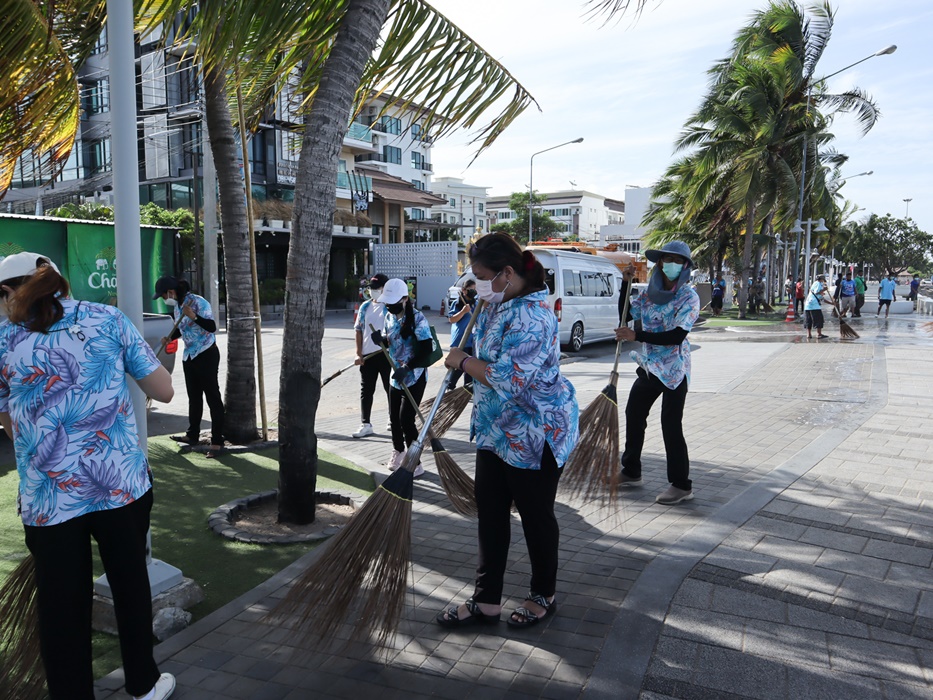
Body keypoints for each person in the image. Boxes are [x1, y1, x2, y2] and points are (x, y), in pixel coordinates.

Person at [0, 253, 176, 700]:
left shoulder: (3, 340)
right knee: (130, 586)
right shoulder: (108, 319)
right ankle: (144, 685)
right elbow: (164, 391)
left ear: (7, 293)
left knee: (60, 607)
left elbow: (11, 424)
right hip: (120, 484)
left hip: (48, 498)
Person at [436, 233, 578, 629]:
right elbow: (488, 356)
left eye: (482, 277)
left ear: (507, 273)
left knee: (535, 516)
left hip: (536, 432)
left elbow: (510, 379)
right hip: (496, 430)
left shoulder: (533, 316)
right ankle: (486, 601)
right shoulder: (495, 304)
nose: (478, 285)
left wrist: (462, 362)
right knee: (491, 515)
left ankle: (543, 595)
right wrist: (468, 352)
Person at [614, 240, 700, 506]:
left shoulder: (688, 297)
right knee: (634, 414)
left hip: (674, 371)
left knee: (671, 425)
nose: (671, 265)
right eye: (667, 259)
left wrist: (636, 335)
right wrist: (625, 285)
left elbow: (677, 336)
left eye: (677, 261)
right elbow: (627, 313)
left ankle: (681, 485)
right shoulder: (649, 295)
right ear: (660, 263)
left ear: (685, 266)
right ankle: (631, 471)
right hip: (650, 366)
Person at [153, 276, 225, 457]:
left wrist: (194, 316)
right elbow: (183, 328)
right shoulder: (178, 306)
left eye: (163, 295)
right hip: (189, 356)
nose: (164, 299)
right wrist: (171, 337)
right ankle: (192, 435)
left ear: (171, 291)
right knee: (194, 397)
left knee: (212, 397)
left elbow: (211, 326)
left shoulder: (198, 302)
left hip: (206, 353)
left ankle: (217, 441)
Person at [372, 278, 432, 476]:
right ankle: (398, 452)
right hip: (395, 375)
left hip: (414, 376)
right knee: (393, 418)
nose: (389, 306)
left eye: (393, 302)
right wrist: (381, 340)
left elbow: (426, 349)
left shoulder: (418, 319)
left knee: (406, 420)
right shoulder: (389, 316)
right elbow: (391, 340)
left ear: (405, 299)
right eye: (387, 302)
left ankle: (415, 463)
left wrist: (408, 367)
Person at [351, 274, 391, 438]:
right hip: (368, 356)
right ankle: (365, 424)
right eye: (371, 288)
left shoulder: (390, 306)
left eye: (377, 288)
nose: (373, 291)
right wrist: (358, 353)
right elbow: (358, 330)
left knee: (391, 389)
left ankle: (393, 419)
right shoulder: (365, 307)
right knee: (366, 390)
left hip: (386, 355)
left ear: (384, 288)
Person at [446, 278, 477, 392]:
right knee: (458, 367)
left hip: (472, 341)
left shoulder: (476, 304)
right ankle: (449, 387)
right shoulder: (458, 303)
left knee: (470, 369)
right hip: (461, 340)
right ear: (464, 290)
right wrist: (463, 311)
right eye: (471, 289)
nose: (473, 291)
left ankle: (466, 393)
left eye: (475, 289)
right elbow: (452, 319)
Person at [804, 273, 829, 339]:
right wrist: (824, 289)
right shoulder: (818, 284)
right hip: (814, 305)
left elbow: (821, 298)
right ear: (821, 279)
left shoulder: (815, 284)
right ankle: (819, 334)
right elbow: (816, 292)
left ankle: (809, 334)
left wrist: (831, 303)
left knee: (808, 320)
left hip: (808, 305)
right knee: (819, 319)